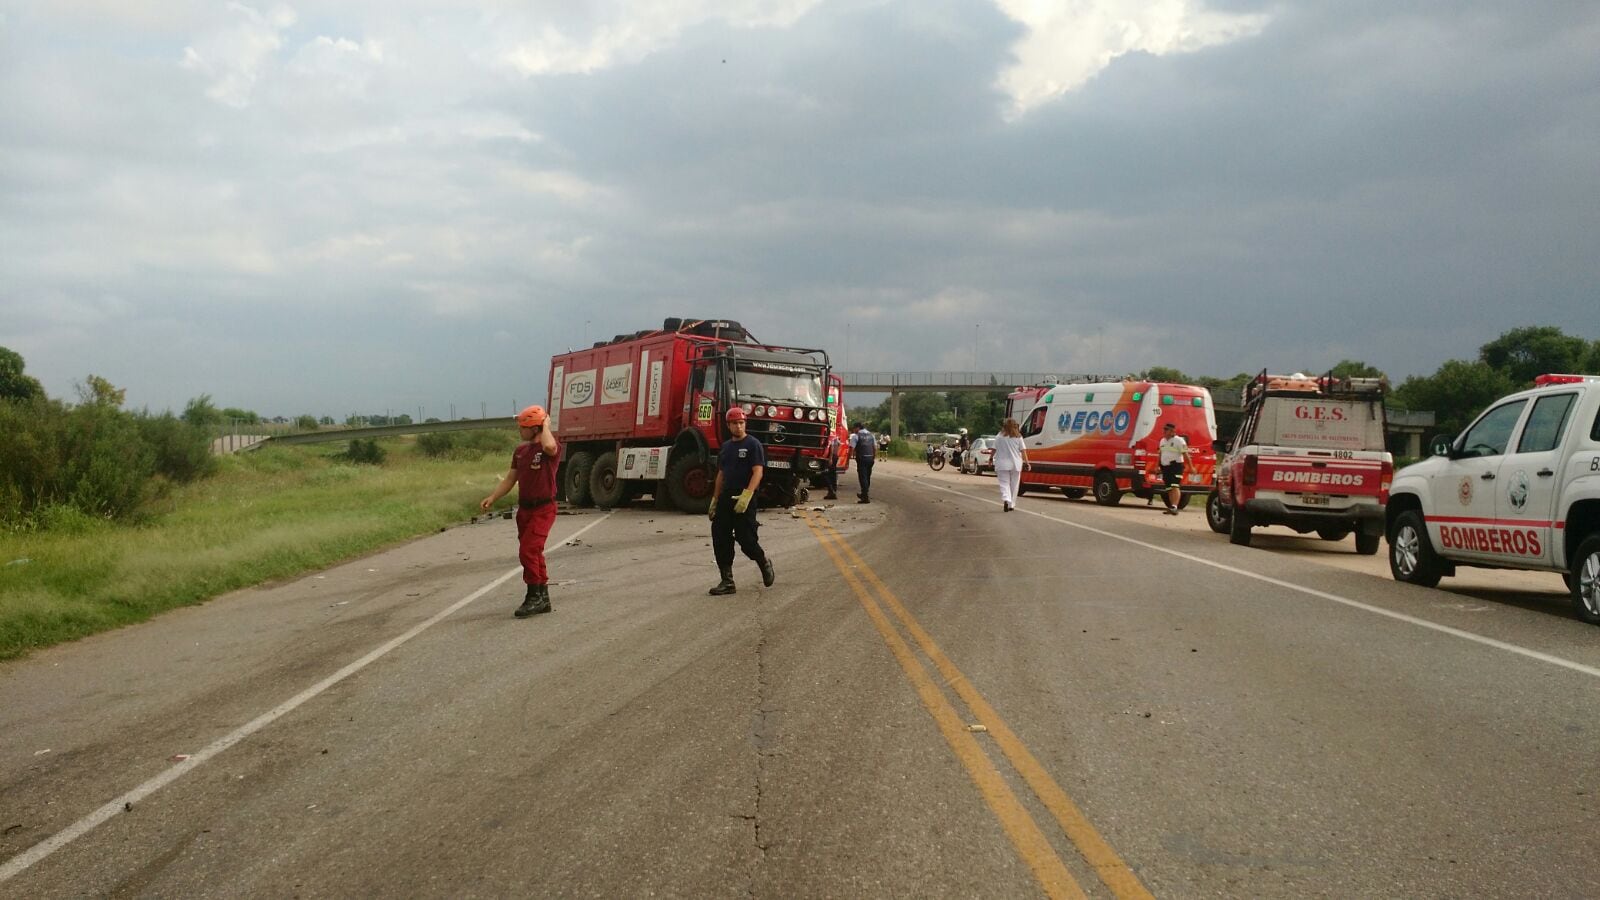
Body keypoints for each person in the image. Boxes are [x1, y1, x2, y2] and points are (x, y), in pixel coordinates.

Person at [481, 405, 561, 617]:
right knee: (534, 552)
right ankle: (543, 596)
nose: (519, 430)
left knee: (528, 551)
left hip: (543, 508)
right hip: (525, 510)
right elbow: (510, 479)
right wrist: (493, 497)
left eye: (523, 427)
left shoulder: (548, 450)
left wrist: (545, 426)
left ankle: (533, 596)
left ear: (535, 428)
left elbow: (551, 447)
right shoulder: (521, 451)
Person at [707, 407, 776, 596]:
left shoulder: (753, 445)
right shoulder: (727, 447)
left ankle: (763, 562)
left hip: (744, 496)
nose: (738, 426)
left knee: (746, 540)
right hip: (726, 497)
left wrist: (747, 496)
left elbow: (758, 472)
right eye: (734, 423)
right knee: (720, 536)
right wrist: (715, 499)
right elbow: (721, 474)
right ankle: (727, 581)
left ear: (745, 424)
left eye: (741, 423)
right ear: (728, 425)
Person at [993, 418, 1029, 512]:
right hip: (1016, 464)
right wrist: (1027, 462)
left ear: (1004, 426)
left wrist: (990, 458)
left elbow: (994, 448)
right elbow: (1023, 451)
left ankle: (1006, 498)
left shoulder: (999, 436)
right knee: (1014, 484)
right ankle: (1011, 505)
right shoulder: (1018, 437)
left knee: (1004, 483)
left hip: (1002, 463)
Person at [1158, 421, 1193, 515]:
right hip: (1165, 467)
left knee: (1175, 485)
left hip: (1176, 466)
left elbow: (1185, 454)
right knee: (1169, 488)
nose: (1164, 431)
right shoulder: (1162, 441)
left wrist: (1191, 467)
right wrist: (1157, 466)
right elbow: (1160, 454)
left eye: (1166, 429)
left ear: (1172, 431)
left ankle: (1175, 506)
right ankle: (1172, 506)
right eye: (1164, 429)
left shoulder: (1179, 441)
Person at [849, 424, 876, 503]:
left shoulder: (856, 436)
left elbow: (852, 448)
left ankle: (865, 497)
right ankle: (864, 493)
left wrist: (849, 458)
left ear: (857, 428)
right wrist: (873, 457)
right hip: (870, 458)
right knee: (867, 477)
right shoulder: (871, 435)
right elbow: (874, 447)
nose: (854, 430)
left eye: (854, 429)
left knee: (862, 477)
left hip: (862, 459)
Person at [822, 429, 840, 500]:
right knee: (833, 474)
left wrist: (830, 458)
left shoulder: (831, 437)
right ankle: (833, 492)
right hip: (835, 456)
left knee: (825, 473)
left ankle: (831, 490)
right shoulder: (836, 436)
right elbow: (838, 445)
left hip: (830, 457)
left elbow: (831, 448)